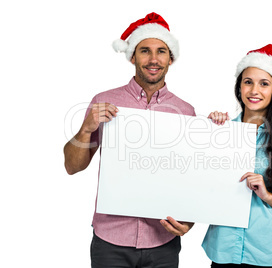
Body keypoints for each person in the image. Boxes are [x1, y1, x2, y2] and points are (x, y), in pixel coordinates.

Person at [64, 12, 195, 268]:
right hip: (110, 240)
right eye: (145, 50)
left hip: (162, 241)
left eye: (161, 51)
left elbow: (190, 178)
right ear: (132, 56)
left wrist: (189, 220)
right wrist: (85, 129)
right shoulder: (103, 101)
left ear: (172, 58)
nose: (153, 59)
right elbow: (72, 166)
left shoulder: (186, 111)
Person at [204, 44, 272, 268]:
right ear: (239, 86)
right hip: (224, 252)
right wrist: (209, 130)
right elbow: (199, 186)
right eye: (248, 81)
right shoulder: (218, 132)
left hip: (268, 253)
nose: (254, 90)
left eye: (264, 83)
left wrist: (268, 196)